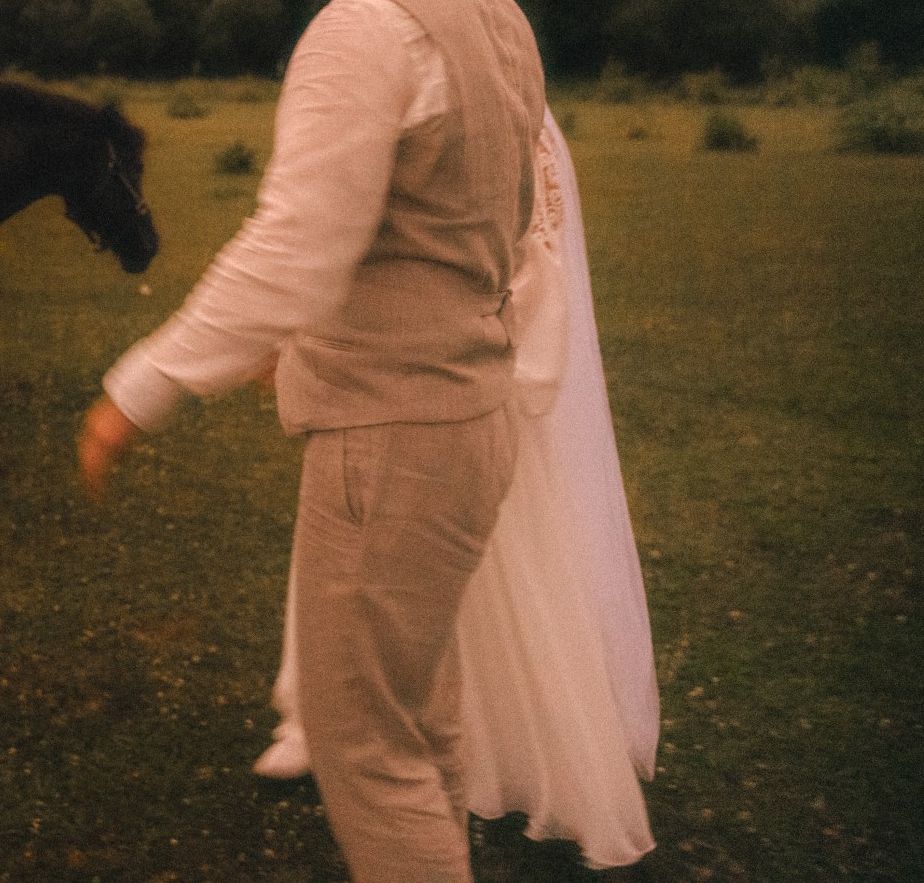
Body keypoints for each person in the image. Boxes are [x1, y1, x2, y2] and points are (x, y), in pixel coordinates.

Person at [78, 0, 548, 881]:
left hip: (391, 443)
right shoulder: (496, 14)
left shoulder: (367, 24)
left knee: (363, 747)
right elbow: (478, 227)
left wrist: (141, 385)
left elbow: (296, 243)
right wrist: (299, 339)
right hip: (470, 425)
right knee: (418, 724)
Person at [256, 108, 659, 869]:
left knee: (486, 564)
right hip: (402, 374)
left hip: (472, 371)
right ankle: (325, 712)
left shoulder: (510, 110)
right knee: (358, 552)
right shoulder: (427, 91)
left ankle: (493, 743)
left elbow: (531, 249)